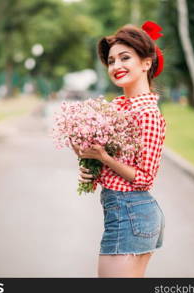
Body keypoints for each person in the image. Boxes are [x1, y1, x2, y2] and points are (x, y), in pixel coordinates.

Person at [71, 21, 167, 277]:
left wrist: (103, 157)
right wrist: (87, 161)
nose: (116, 66)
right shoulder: (118, 107)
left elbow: (144, 178)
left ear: (147, 63)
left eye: (125, 58)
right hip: (124, 211)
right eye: (111, 61)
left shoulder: (146, 113)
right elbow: (106, 162)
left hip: (132, 212)